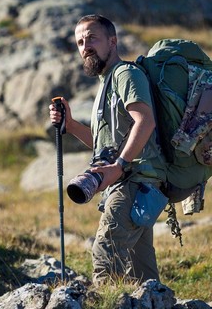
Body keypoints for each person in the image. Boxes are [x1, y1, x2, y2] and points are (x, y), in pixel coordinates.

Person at [49, 14, 167, 286]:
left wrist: (119, 166)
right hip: (128, 181)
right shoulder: (106, 82)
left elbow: (145, 121)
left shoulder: (126, 74)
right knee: (141, 274)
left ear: (112, 41)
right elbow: (106, 144)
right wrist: (71, 125)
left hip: (135, 181)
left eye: (92, 38)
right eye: (80, 41)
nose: (85, 46)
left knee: (106, 252)